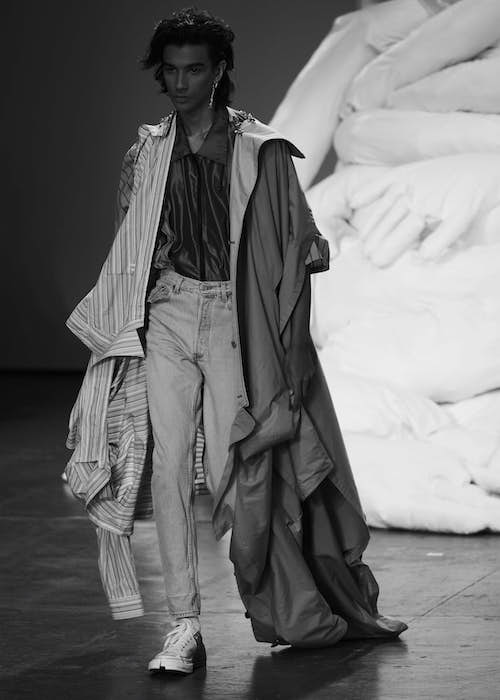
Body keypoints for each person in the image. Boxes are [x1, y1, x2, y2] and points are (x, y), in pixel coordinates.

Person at [65, 6, 407, 678]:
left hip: (231, 319)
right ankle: (184, 626)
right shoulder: (146, 153)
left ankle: (283, 599)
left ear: (219, 71)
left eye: (194, 70)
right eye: (171, 71)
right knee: (167, 469)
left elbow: (296, 244)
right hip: (167, 313)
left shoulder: (262, 150)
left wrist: (289, 344)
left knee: (240, 475)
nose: (181, 83)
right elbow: (131, 247)